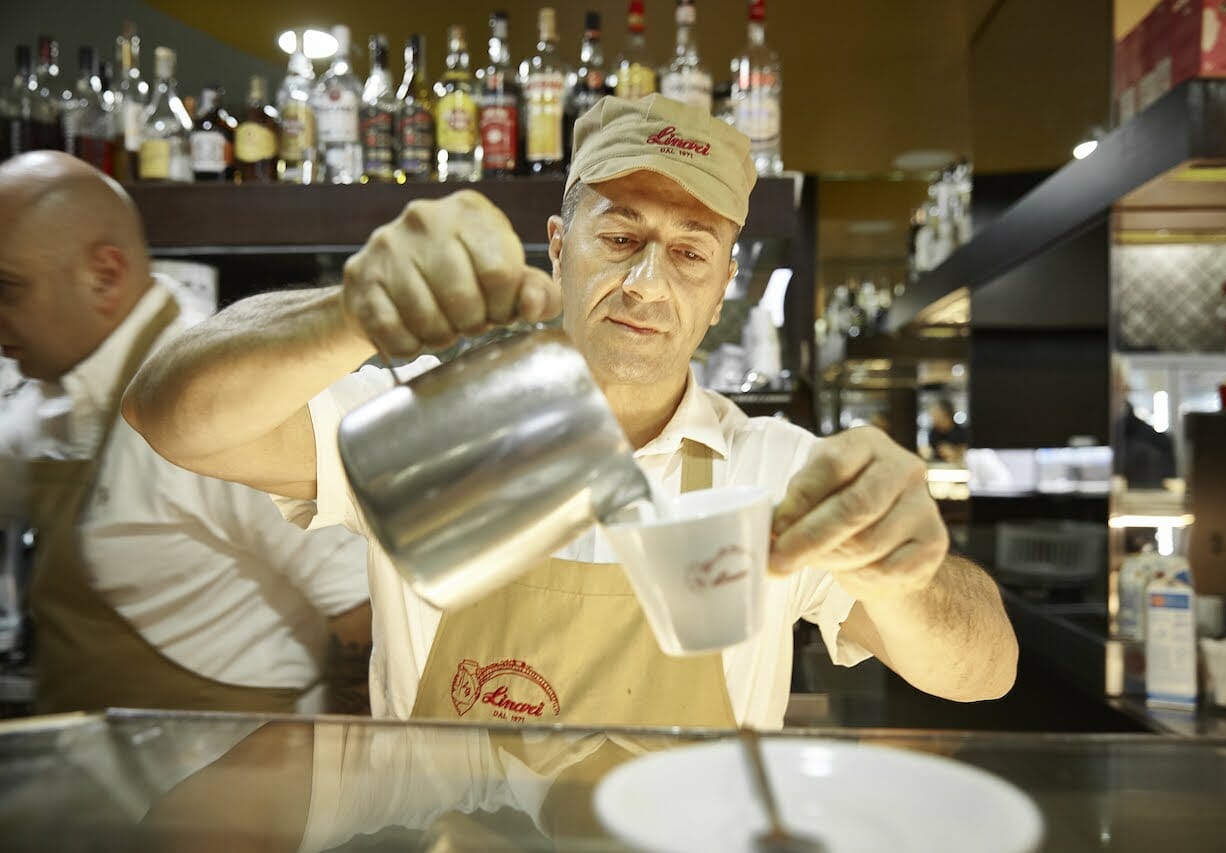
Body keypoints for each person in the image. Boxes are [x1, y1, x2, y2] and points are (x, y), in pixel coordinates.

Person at [124, 95, 1018, 728]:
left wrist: (901, 570)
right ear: (560, 247)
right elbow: (172, 414)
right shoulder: (440, 426)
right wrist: (349, 310)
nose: (645, 283)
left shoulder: (776, 472)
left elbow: (985, 672)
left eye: (689, 254)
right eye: (620, 236)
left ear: (721, 292)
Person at [0, 151, 372, 715]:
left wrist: (350, 789)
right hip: (98, 779)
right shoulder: (58, 389)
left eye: (8, 287)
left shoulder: (217, 405)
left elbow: (360, 610)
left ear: (105, 275)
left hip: (231, 778)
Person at [927, 398, 968, 464]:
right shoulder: (933, 433)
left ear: (944, 413)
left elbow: (966, 452)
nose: (932, 417)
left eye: (934, 413)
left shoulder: (961, 432)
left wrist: (955, 453)